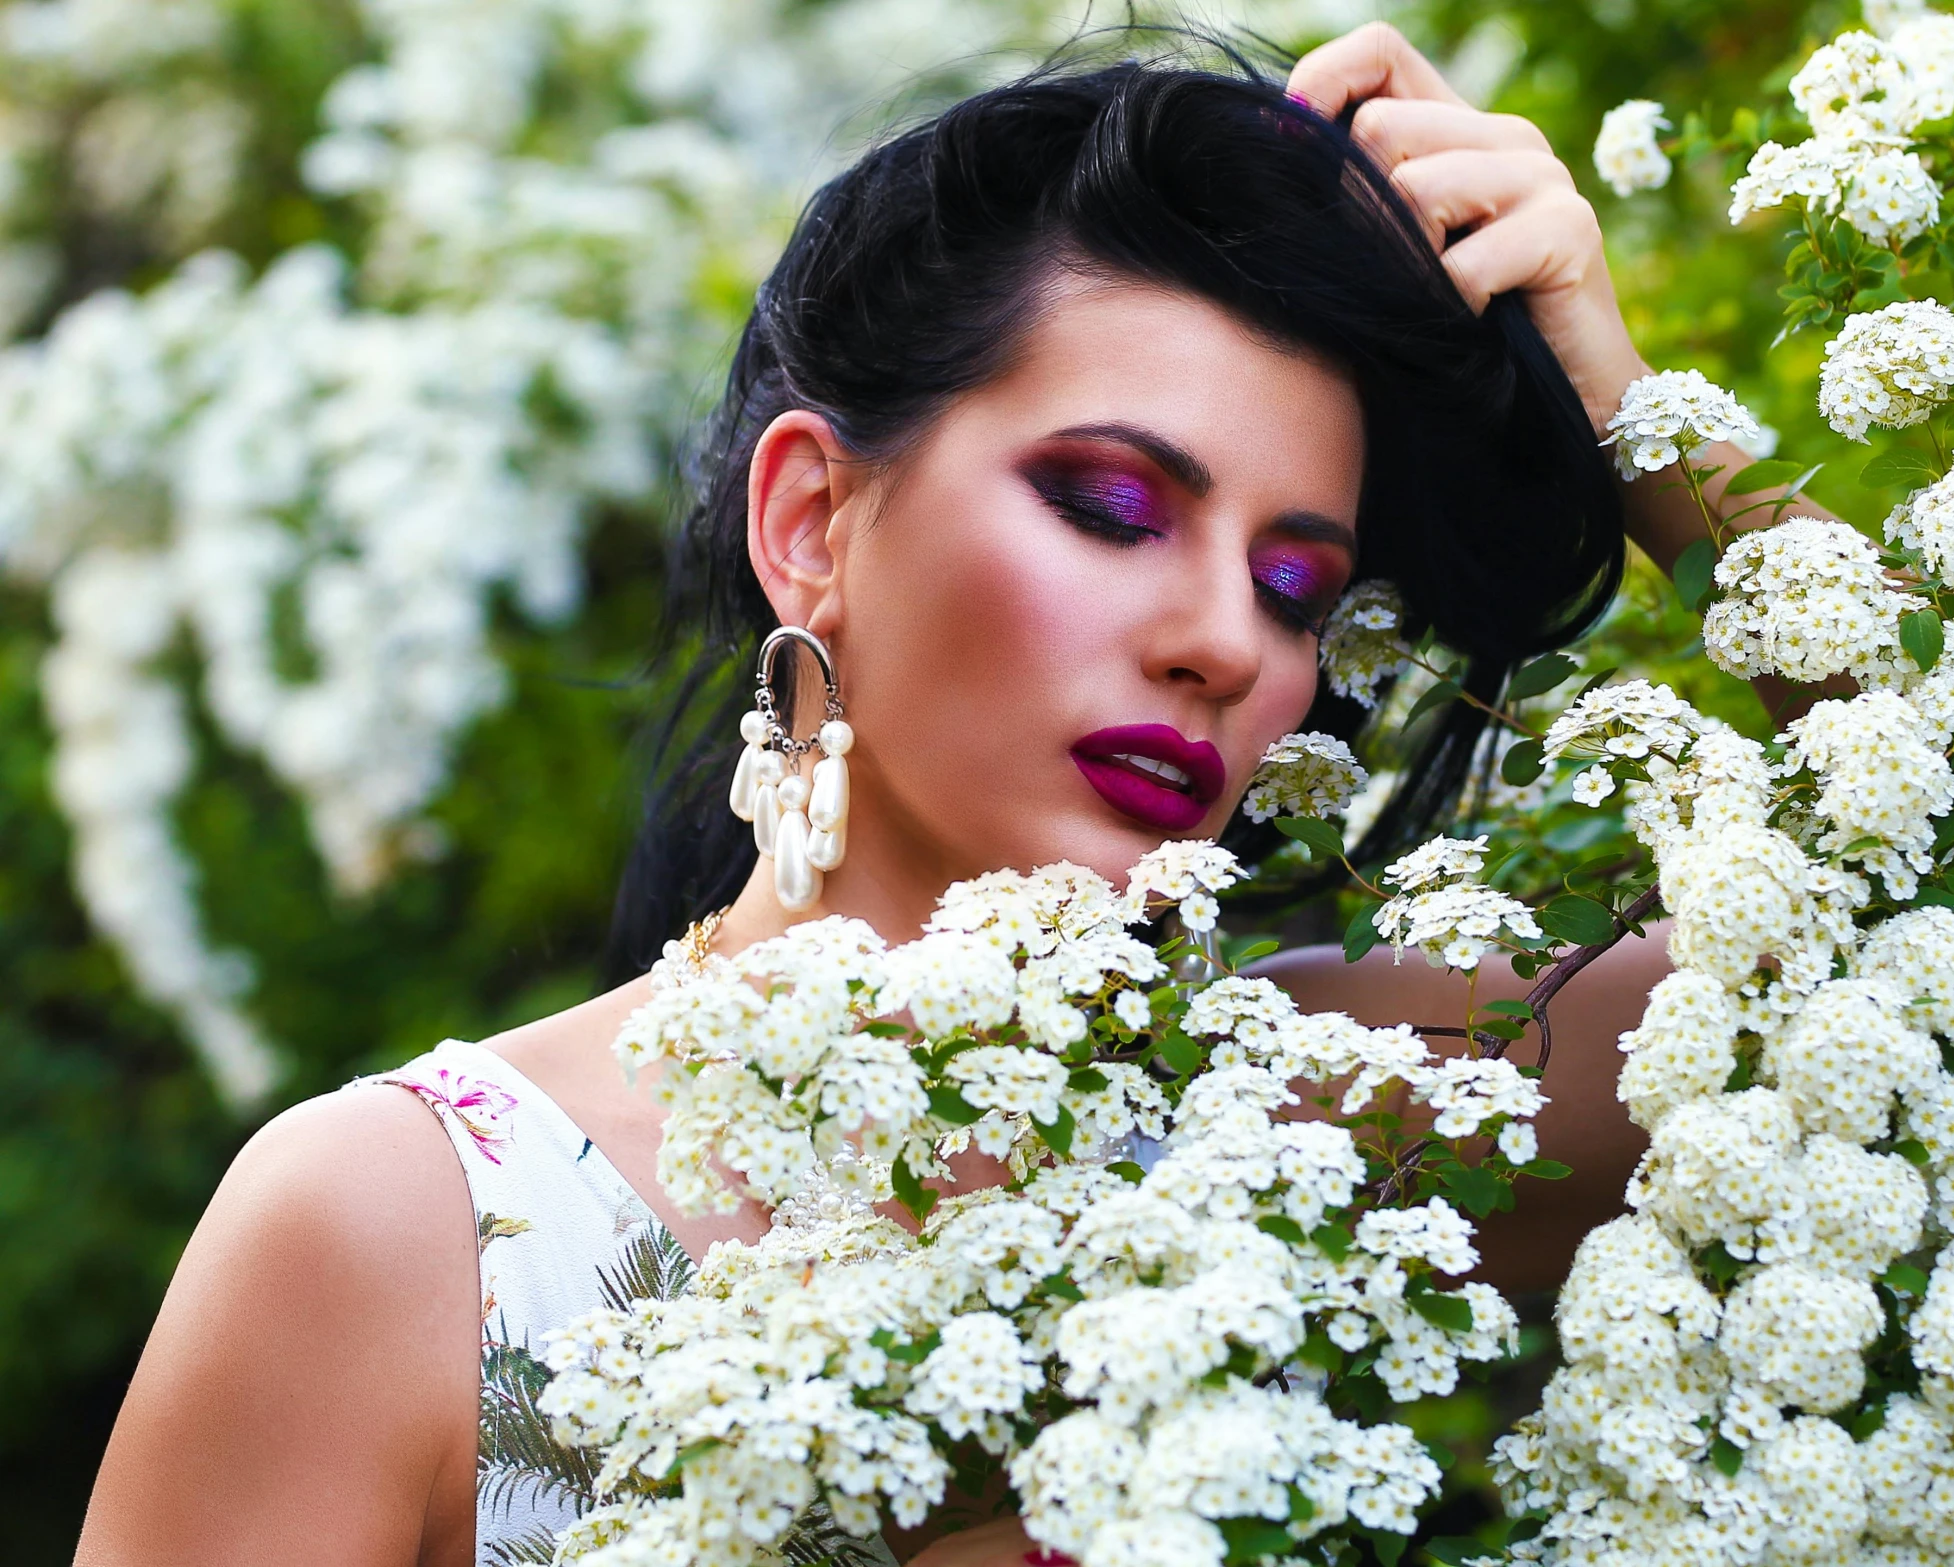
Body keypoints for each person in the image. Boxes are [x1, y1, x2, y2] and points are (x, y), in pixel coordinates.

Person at [75, 24, 1770, 1567]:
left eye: (1292, 586)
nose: (1218, 644)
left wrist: (1641, 420)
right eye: (1109, 503)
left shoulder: (1307, 1126)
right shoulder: (412, 1232)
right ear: (812, 521)